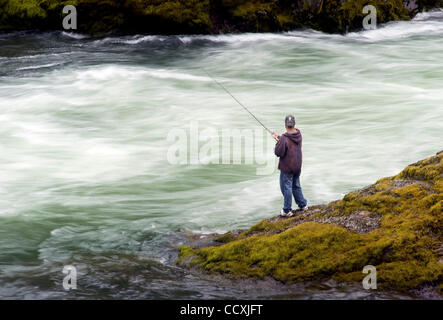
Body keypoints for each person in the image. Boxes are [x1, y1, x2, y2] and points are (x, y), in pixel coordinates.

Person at [272, 115, 308, 217]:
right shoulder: (298, 134)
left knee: (286, 187)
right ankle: (303, 204)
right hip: (297, 165)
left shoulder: (284, 138)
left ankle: (287, 210)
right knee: (296, 185)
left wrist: (278, 141)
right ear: (294, 125)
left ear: (285, 125)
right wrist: (278, 138)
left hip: (287, 167)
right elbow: (287, 141)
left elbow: (278, 152)